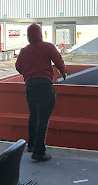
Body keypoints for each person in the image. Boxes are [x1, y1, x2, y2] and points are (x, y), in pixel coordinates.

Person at [15, 23, 67, 162]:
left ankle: (31, 145)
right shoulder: (48, 47)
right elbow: (59, 61)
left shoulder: (24, 50)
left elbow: (18, 66)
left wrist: (27, 75)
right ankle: (39, 152)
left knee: (33, 116)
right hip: (44, 85)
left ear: (28, 36)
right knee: (43, 119)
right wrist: (64, 73)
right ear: (40, 34)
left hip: (30, 86)